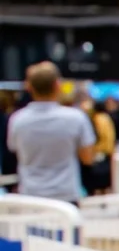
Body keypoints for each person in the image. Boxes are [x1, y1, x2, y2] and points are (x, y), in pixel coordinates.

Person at [6, 62, 94, 203]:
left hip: (31, 195)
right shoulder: (76, 118)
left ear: (29, 87)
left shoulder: (17, 120)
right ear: (57, 85)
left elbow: (15, 151)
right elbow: (87, 158)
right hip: (66, 195)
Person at [81, 95, 116, 195]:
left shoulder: (100, 119)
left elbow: (105, 138)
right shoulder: (104, 118)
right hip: (102, 154)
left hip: (100, 155)